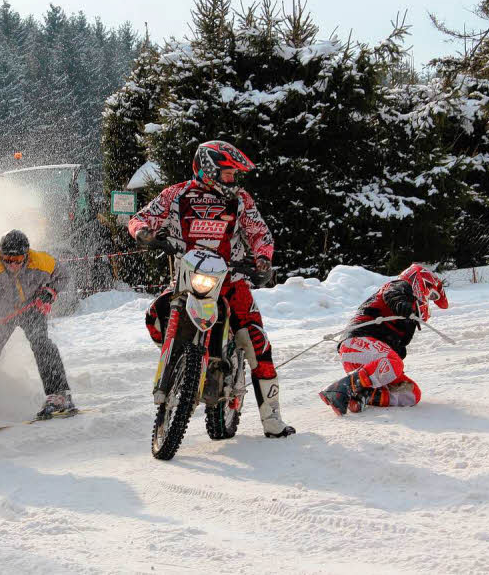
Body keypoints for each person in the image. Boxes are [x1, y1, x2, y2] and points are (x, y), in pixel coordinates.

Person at [128, 139, 295, 438]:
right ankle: (181, 365)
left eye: (234, 174)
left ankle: (272, 418)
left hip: (231, 280)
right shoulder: (176, 194)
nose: (233, 179)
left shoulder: (241, 199)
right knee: (155, 316)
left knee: (256, 341)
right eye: (228, 173)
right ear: (208, 169)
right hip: (186, 277)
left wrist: (263, 261)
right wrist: (143, 232)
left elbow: (260, 233)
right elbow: (142, 217)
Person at [0, 229, 75, 419]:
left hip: (31, 307)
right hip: (3, 309)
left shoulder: (40, 261)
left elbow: (63, 275)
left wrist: (50, 291)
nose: (12, 265)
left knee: (41, 343)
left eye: (17, 260)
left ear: (26, 255)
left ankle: (59, 395)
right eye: (7, 259)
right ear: (1, 254)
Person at [318, 264, 449, 415]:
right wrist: (402, 304)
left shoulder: (408, 316)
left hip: (370, 361)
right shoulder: (400, 286)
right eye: (431, 295)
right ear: (423, 283)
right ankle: (340, 389)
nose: (429, 300)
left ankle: (362, 395)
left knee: (412, 394)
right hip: (357, 342)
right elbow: (392, 295)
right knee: (395, 363)